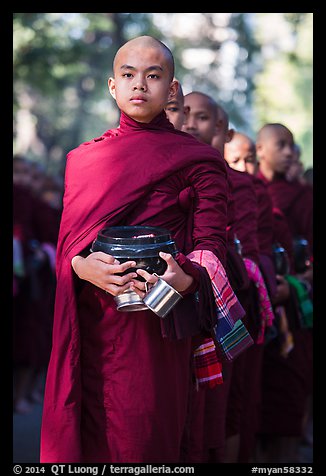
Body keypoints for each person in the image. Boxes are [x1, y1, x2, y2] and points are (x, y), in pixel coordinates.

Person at [40, 36, 234, 463]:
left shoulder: (198, 160)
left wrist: (187, 278)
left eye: (153, 75)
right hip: (92, 321)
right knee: (87, 432)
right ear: (113, 86)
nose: (139, 85)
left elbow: (209, 246)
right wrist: (81, 267)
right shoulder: (84, 160)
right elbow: (70, 244)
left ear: (171, 89)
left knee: (144, 437)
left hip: (154, 322)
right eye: (128, 75)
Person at [255, 123, 313, 463]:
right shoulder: (249, 189)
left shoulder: (304, 196)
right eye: (282, 144)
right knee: (254, 407)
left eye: (292, 146)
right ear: (261, 150)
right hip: (256, 306)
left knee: (287, 405)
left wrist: (301, 280)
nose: (290, 152)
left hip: (292, 306)